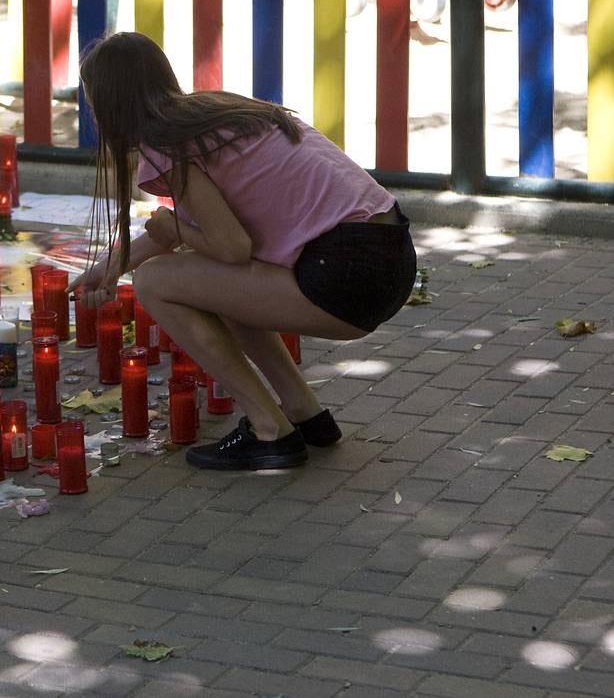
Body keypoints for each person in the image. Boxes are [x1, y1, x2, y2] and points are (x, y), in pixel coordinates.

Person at [72, 32, 416, 471]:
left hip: (347, 274)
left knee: (154, 280)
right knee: (210, 280)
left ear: (108, 103)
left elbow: (230, 248)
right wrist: (108, 267)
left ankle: (270, 431)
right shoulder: (209, 113)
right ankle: (306, 414)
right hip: (389, 257)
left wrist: (172, 228)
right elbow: (206, 234)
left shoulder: (166, 146)